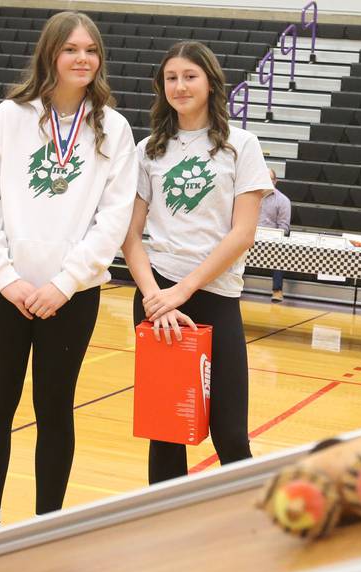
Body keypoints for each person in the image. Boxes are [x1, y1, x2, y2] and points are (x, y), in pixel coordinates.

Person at [0, 11, 137, 531]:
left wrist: (64, 284)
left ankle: (46, 528)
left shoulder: (114, 129)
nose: (83, 58)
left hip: (72, 295)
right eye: (71, 49)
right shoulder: (8, 118)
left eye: (91, 50)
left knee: (55, 408)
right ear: (50, 54)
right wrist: (6, 277)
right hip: (2, 290)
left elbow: (114, 219)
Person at [122, 41, 274, 485]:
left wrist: (181, 293)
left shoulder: (241, 146)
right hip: (158, 296)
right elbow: (130, 235)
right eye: (171, 77)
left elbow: (242, 234)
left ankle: (247, 523)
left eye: (190, 76)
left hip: (213, 296)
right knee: (165, 434)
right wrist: (155, 297)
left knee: (229, 434)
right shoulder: (147, 149)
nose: (180, 85)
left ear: (210, 82)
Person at [258, 168, 291, 302]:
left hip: (272, 241)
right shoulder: (250, 197)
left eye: (269, 179)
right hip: (249, 237)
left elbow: (284, 228)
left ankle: (277, 290)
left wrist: (270, 237)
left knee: (280, 252)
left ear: (275, 181)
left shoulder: (283, 201)